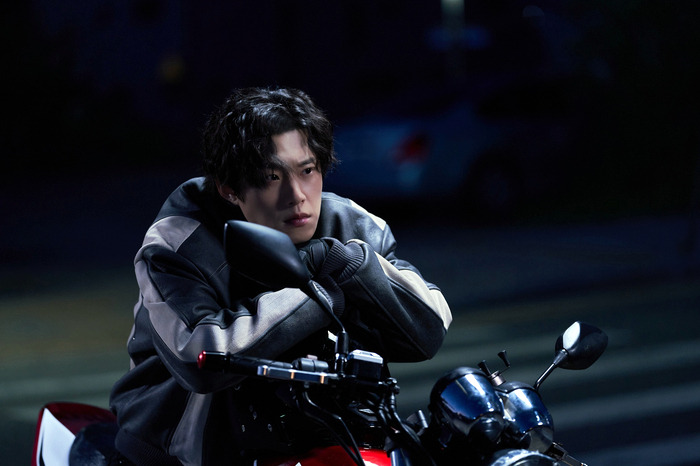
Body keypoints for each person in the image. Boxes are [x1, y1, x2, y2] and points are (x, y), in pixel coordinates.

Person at [109, 87, 452, 465]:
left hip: (322, 441)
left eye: (307, 171)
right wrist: (318, 293)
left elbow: (429, 328)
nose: (297, 195)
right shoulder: (179, 241)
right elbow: (201, 358)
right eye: (271, 177)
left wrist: (350, 264)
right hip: (187, 452)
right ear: (229, 189)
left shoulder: (353, 227)